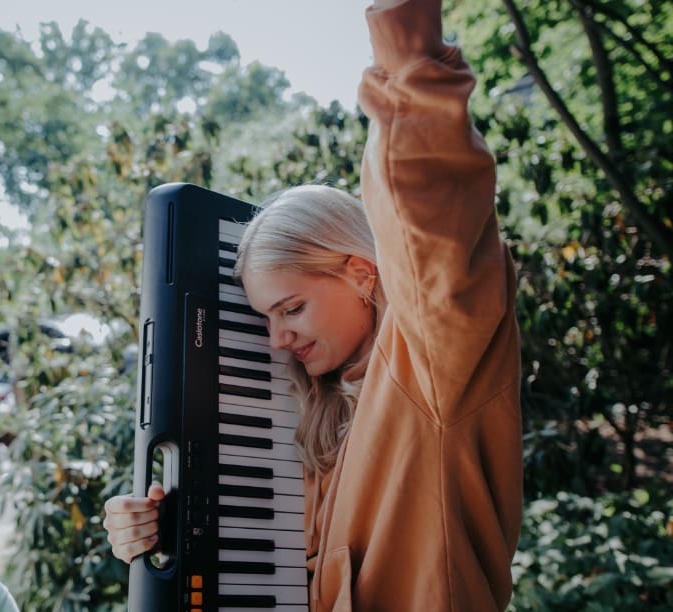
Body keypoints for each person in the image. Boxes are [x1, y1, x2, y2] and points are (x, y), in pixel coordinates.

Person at [101, 0, 523, 609]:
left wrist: (406, 51)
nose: (277, 340)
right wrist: (146, 527)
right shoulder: (312, 415)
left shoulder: (435, 360)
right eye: (267, 317)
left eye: (291, 308)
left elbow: (433, 206)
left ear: (359, 272)